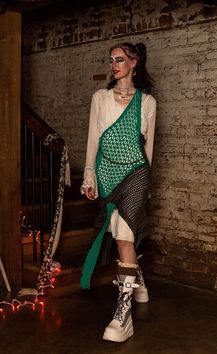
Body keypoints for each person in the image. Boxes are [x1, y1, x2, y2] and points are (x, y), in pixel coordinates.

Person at [80, 42, 157, 342]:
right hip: (108, 174)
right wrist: (89, 175)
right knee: (119, 234)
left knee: (125, 235)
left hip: (137, 173)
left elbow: (147, 150)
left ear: (134, 63)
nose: (114, 64)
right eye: (111, 59)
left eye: (120, 59)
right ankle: (137, 282)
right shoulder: (100, 98)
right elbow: (93, 139)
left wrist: (145, 189)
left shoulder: (147, 102)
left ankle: (122, 318)